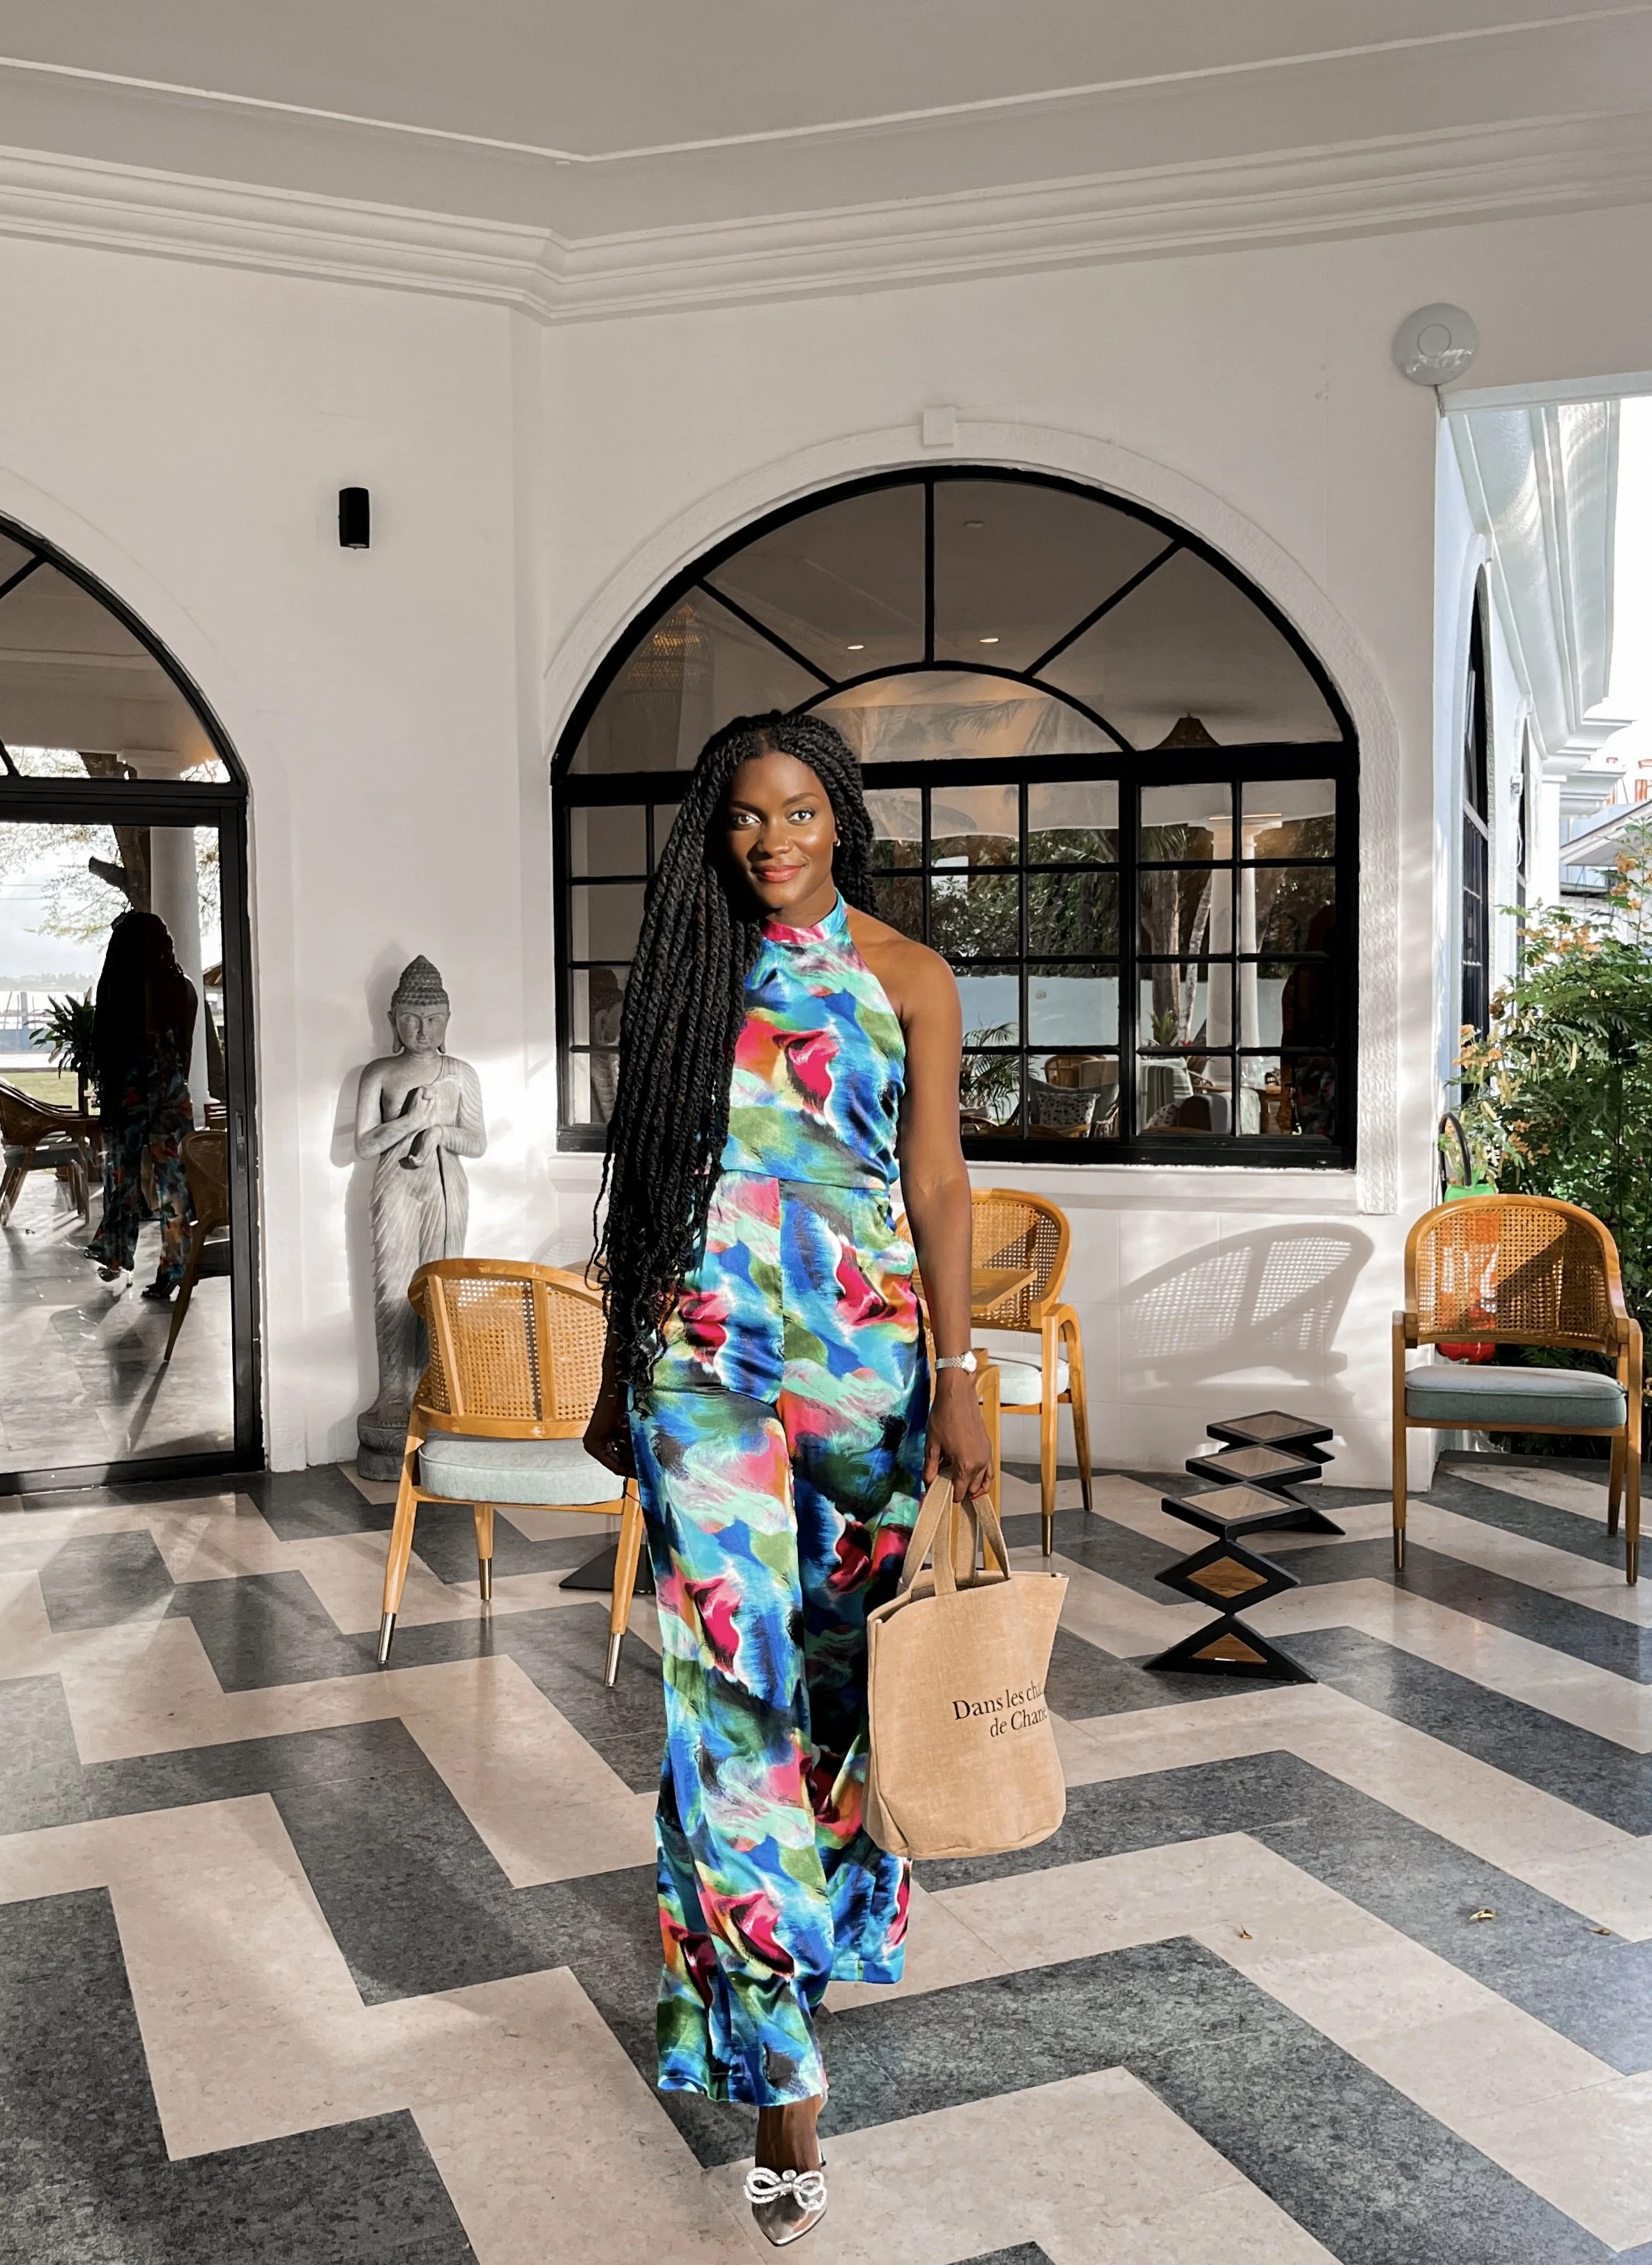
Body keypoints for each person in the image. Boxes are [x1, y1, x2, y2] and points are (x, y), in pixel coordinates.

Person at [583, 710, 992, 2248]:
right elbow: (648, 1178)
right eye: (749, 815)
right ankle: (783, 2089)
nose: (775, 838)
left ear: (842, 818)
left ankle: (801, 1966)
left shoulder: (908, 977)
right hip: (704, 1365)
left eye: (801, 810)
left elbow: (938, 1179)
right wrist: (628, 1370)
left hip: (866, 1374)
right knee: (727, 1701)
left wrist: (964, 1378)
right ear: (718, 826)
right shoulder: (687, 972)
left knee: (838, 1694)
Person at [85, 909, 199, 1300]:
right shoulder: (182, 990)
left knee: (123, 1179)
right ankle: (177, 1267)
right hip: (169, 1091)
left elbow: (105, 1050)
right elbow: (183, 1052)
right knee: (175, 1185)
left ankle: (116, 1257)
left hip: (128, 1094)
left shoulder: (118, 988)